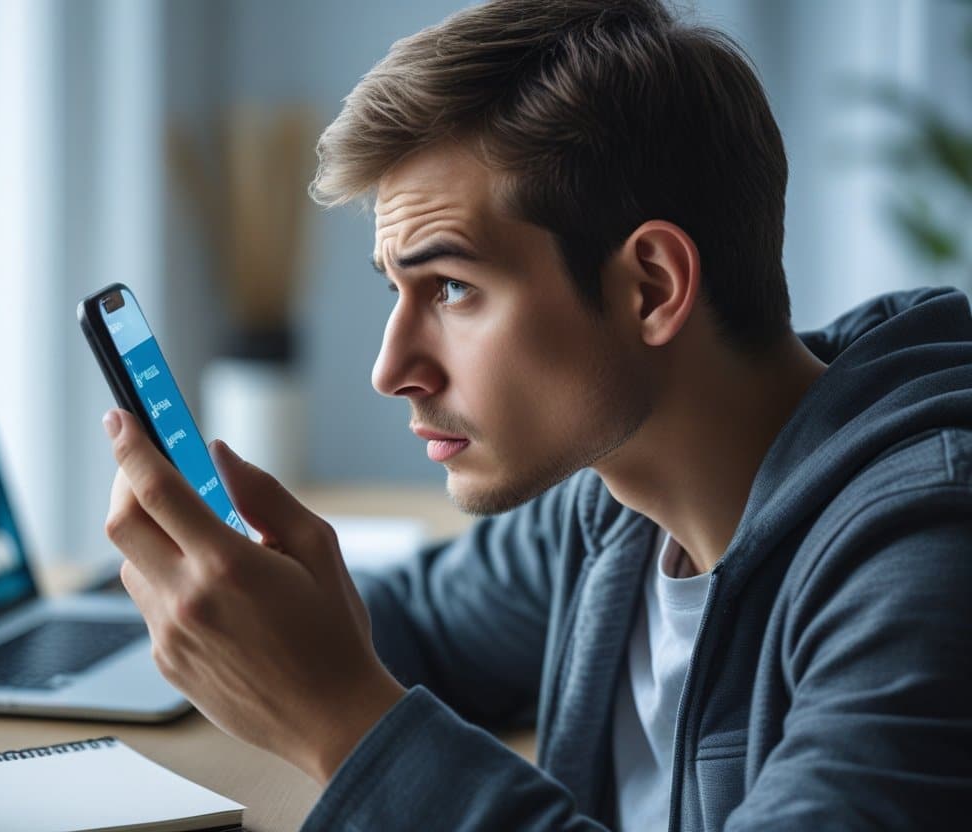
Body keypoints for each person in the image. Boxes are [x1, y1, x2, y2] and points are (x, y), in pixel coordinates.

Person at [101, 0, 972, 828]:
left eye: (452, 287)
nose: (389, 370)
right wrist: (246, 599)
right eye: (397, 290)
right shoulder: (615, 508)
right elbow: (419, 627)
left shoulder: (922, 571)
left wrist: (341, 720)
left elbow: (355, 687)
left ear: (651, 287)